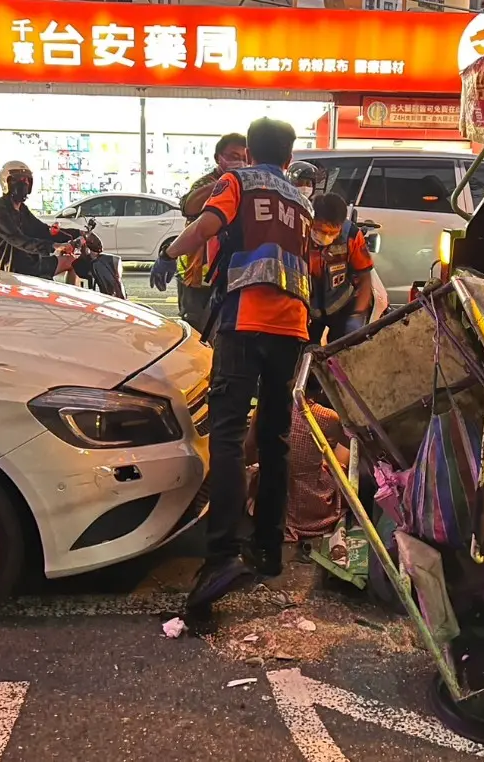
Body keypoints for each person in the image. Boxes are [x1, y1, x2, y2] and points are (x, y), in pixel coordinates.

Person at [154, 117, 313, 611]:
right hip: (293, 327)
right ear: (288, 157)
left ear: (249, 152)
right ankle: (268, 550)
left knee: (225, 435)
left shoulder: (237, 181)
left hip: (245, 320)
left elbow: (206, 224)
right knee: (275, 438)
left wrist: (168, 252)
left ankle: (221, 553)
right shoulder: (301, 200)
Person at [173, 133, 248, 332]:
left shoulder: (246, 186)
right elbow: (189, 207)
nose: (239, 161)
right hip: (197, 274)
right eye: (233, 156)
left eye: (243, 158)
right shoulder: (204, 184)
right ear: (218, 158)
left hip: (229, 275)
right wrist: (224, 184)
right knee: (194, 331)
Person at [0, 160, 77, 278]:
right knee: (70, 262)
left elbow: (40, 229)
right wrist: (53, 246)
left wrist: (74, 235)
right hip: (10, 269)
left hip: (29, 262)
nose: (25, 183)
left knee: (72, 260)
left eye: (27, 180)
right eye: (20, 180)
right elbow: (17, 239)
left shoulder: (22, 209)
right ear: (8, 182)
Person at [307, 193, 375, 345]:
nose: (326, 236)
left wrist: (357, 315)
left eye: (332, 232)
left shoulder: (351, 235)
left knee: (342, 356)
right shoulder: (299, 233)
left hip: (342, 305)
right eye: (321, 230)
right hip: (308, 310)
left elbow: (365, 277)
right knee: (303, 356)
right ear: (312, 220)